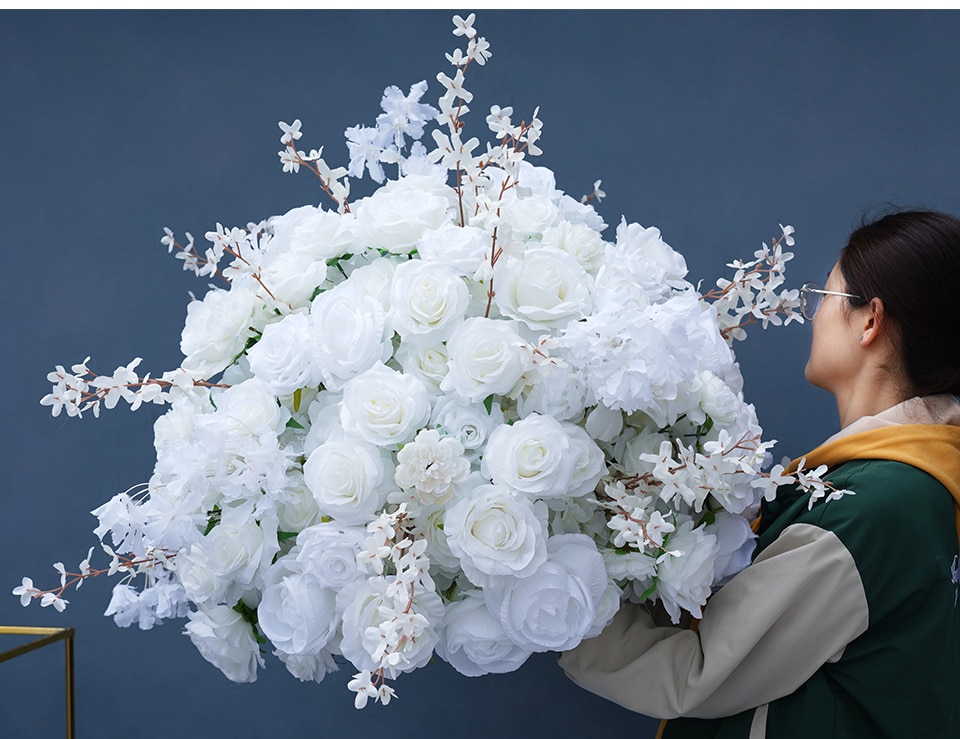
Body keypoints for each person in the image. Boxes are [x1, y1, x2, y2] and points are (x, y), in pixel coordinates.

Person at [559, 208, 960, 738]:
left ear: (870, 320)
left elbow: (699, 673)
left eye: (826, 297)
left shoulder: (872, 508)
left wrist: (555, 600)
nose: (814, 315)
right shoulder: (922, 482)